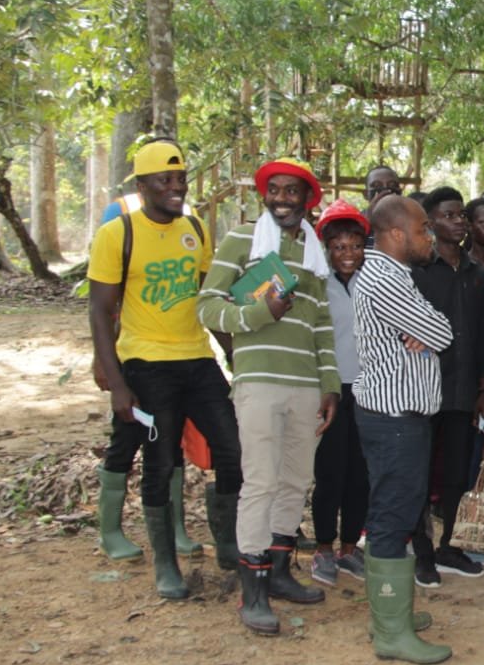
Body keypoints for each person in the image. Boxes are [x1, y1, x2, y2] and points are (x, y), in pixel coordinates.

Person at [87, 139, 242, 598]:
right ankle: (166, 564)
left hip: (197, 359)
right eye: (165, 180)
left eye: (181, 179)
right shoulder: (118, 234)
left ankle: (228, 543)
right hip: (147, 362)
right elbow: (100, 311)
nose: (177, 187)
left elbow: (209, 301)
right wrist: (117, 383)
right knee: (160, 461)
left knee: (233, 448)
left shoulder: (195, 228)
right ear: (142, 185)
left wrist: (234, 355)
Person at [198, 157, 340, 635]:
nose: (281, 199)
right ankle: (253, 590)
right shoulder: (243, 239)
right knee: (259, 481)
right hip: (258, 380)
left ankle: (279, 572)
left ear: (307, 199)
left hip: (305, 385)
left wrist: (329, 385)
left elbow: (322, 325)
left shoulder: (314, 253)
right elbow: (207, 306)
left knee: (296, 480)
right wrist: (260, 313)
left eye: (291, 191)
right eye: (273, 190)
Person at [352, 194, 454, 664]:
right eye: (421, 229)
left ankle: (391, 614)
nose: (428, 236)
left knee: (399, 510)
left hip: (401, 419)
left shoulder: (396, 275)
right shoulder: (383, 279)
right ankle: (391, 632)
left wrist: (428, 329)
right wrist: (429, 331)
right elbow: (442, 334)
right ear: (395, 234)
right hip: (393, 421)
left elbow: (435, 329)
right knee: (392, 517)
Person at [408, 187, 484, 586]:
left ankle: (450, 546)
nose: (459, 222)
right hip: (424, 389)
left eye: (461, 215)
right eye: (449, 215)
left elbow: (483, 333)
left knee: (457, 473)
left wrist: (482, 385)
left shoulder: (477, 272)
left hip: (462, 391)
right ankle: (422, 552)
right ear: (430, 223)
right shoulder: (418, 271)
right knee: (421, 474)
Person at [309, 199, 372, 587]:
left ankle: (350, 547)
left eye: (355, 246)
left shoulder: (375, 281)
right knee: (329, 471)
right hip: (331, 389)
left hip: (368, 389)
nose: (348, 254)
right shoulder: (317, 285)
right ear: (327, 249)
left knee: (360, 473)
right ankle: (323, 547)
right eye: (338, 247)